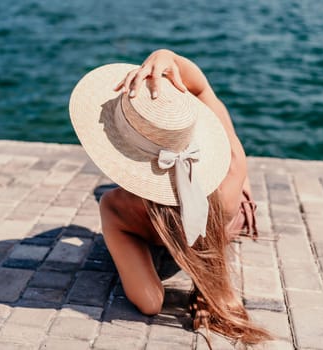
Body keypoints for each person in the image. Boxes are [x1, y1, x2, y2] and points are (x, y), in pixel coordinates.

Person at [69, 49, 270, 345]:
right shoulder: (232, 165)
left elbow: (150, 302)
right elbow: (202, 89)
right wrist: (166, 56)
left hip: (156, 225)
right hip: (227, 206)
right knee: (230, 157)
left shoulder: (117, 207)